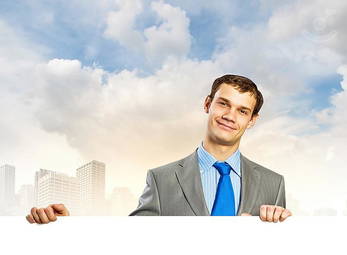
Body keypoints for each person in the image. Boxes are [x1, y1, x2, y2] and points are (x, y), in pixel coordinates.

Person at [26, 74, 292, 224]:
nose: (230, 116)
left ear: (252, 120)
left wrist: (279, 231)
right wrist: (66, 228)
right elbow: (130, 249)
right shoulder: (161, 179)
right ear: (207, 104)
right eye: (223, 104)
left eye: (242, 110)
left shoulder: (273, 184)